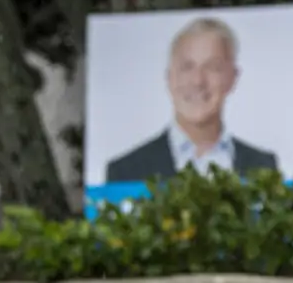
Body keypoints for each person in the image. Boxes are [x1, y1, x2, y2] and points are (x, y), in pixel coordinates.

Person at [104, 16, 280, 184]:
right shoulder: (125, 171)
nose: (198, 81)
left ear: (233, 78)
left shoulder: (263, 166)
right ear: (169, 78)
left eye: (213, 67)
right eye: (187, 67)